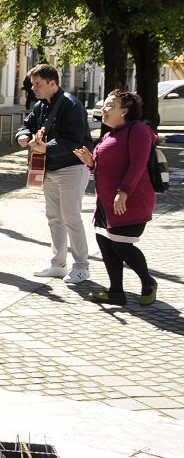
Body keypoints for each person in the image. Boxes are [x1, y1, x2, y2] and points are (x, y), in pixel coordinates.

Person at [72, 90, 159, 306]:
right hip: (107, 203)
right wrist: (90, 162)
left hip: (129, 201)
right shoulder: (111, 133)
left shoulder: (138, 130)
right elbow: (106, 168)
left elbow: (138, 164)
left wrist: (124, 191)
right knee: (106, 243)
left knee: (122, 246)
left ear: (124, 111)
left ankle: (148, 282)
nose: (104, 108)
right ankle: (116, 292)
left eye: (110, 105)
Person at [17, 64, 93, 283]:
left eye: (37, 84)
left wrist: (46, 148)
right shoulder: (41, 106)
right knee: (54, 218)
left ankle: (81, 266)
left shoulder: (71, 105)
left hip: (71, 167)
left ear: (53, 83)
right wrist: (22, 136)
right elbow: (26, 124)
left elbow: (73, 140)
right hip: (48, 168)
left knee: (71, 217)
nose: (33, 88)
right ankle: (58, 264)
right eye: (33, 84)